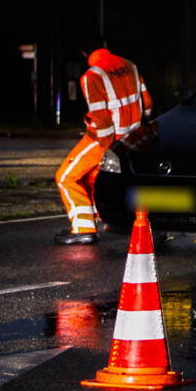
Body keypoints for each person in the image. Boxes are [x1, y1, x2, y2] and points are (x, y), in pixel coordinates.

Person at [53, 40, 152, 244]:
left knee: (66, 177)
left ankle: (83, 229)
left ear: (84, 52)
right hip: (132, 138)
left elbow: (101, 117)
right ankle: (114, 220)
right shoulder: (130, 65)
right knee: (94, 179)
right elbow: (147, 104)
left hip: (105, 140)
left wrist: (108, 149)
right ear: (105, 44)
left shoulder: (92, 76)